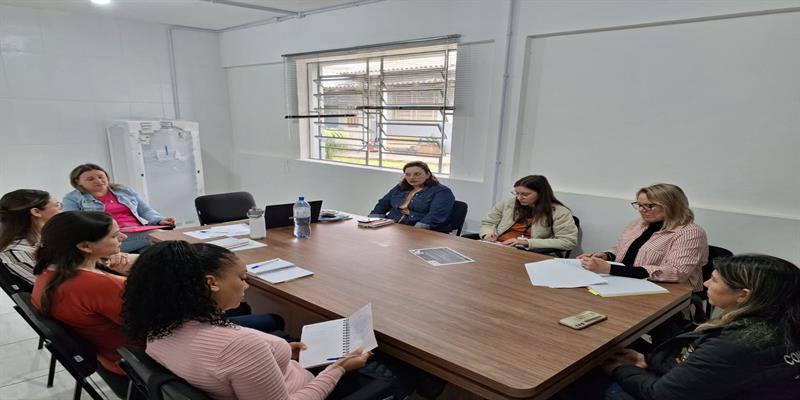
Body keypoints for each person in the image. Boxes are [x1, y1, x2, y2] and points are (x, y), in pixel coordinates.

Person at [122, 240, 374, 400]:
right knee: (393, 373)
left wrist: (284, 352)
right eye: (242, 277)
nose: (246, 286)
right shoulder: (238, 346)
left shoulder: (159, 326)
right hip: (306, 389)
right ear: (212, 283)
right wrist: (337, 370)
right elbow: (236, 356)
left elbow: (223, 366)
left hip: (279, 374)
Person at [557, 254, 800, 400]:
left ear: (743, 295)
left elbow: (663, 396)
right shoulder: (780, 324)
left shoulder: (735, 344)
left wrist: (620, 369)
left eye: (713, 280)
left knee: (567, 382)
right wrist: (648, 360)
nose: (705, 283)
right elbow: (699, 367)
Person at [32, 211, 133, 397]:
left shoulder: (46, 273)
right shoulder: (99, 286)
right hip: (136, 361)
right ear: (85, 246)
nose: (123, 236)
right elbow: (153, 327)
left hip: (107, 356)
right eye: (114, 235)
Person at [579, 183, 708, 292]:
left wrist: (610, 268)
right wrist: (606, 256)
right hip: (625, 282)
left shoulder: (690, 233)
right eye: (640, 205)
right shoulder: (638, 224)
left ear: (671, 206)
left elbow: (676, 272)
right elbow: (621, 249)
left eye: (650, 206)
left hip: (667, 292)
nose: (642, 210)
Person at [1, 190, 137, 286]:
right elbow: (62, 284)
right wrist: (107, 264)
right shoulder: (16, 252)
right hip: (85, 294)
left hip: (98, 274)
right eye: (58, 205)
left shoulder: (49, 237)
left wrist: (107, 257)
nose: (62, 209)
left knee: (148, 261)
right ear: (36, 212)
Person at [62, 163, 176, 252]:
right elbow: (75, 224)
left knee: (154, 252)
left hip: (138, 231)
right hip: (109, 237)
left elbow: (145, 210)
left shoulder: (124, 191)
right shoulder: (72, 198)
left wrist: (160, 220)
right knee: (159, 236)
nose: (98, 181)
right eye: (90, 179)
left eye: (101, 177)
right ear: (78, 182)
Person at [478, 175, 578, 251]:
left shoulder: (559, 212)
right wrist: (487, 234)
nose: (519, 198)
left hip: (528, 252)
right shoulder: (508, 203)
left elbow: (568, 241)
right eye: (516, 193)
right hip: (497, 246)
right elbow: (488, 223)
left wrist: (526, 242)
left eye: (525, 194)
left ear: (541, 194)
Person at [369, 161, 455, 233]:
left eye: (417, 174)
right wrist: (373, 220)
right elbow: (383, 204)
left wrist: (415, 230)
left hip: (423, 232)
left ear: (428, 174)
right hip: (394, 228)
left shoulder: (442, 192)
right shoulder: (400, 187)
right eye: (408, 174)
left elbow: (435, 216)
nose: (412, 177)